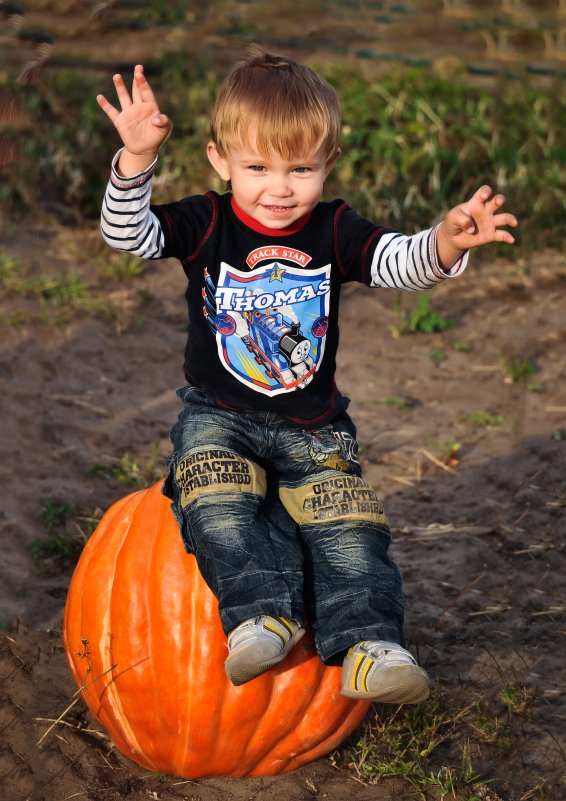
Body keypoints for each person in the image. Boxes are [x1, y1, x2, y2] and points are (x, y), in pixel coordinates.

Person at [97, 51, 517, 704]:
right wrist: (135, 162)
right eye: (258, 167)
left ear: (329, 163)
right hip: (219, 414)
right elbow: (130, 235)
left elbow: (396, 261)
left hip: (314, 425)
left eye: (301, 168)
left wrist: (446, 242)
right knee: (213, 500)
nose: (279, 187)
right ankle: (260, 615)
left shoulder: (334, 228)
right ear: (219, 159)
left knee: (348, 524)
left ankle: (371, 643)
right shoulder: (207, 222)